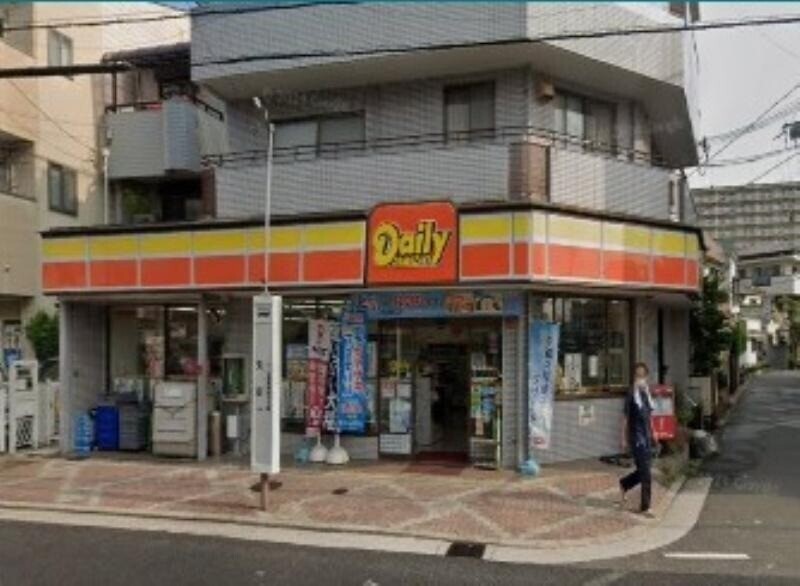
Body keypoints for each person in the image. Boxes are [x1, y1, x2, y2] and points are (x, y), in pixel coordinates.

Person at [619, 362, 658, 515]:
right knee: (646, 473)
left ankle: (625, 483)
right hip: (636, 437)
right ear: (634, 377)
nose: (640, 378)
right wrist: (622, 438)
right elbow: (625, 417)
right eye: (637, 375)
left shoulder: (646, 393)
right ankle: (645, 507)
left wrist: (654, 432)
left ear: (646, 377)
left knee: (644, 470)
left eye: (642, 375)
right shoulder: (631, 394)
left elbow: (649, 416)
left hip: (647, 436)